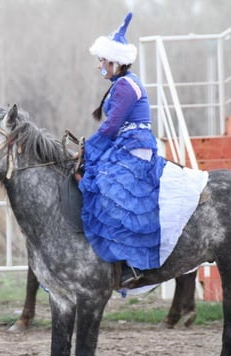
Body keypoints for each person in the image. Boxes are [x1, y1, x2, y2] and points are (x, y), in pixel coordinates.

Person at [78, 12, 167, 288]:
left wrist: (87, 147)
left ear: (115, 62)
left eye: (102, 61)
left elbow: (111, 125)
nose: (99, 66)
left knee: (109, 189)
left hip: (135, 148)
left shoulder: (126, 86)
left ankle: (132, 264)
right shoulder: (120, 83)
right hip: (123, 145)